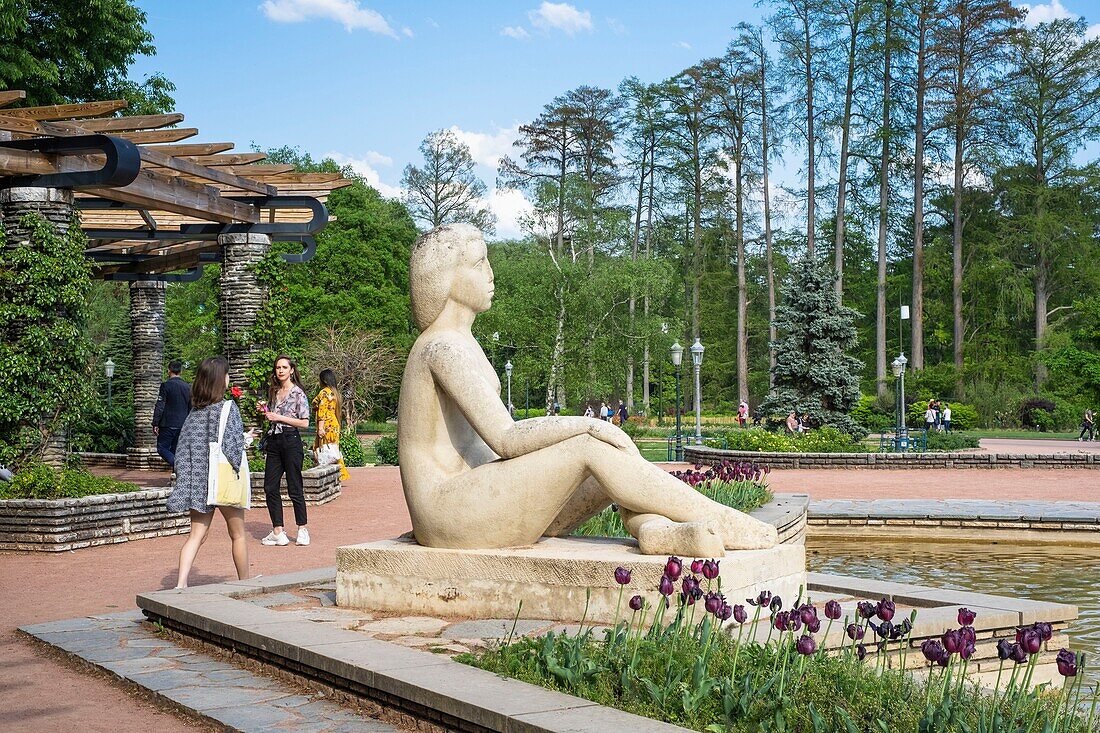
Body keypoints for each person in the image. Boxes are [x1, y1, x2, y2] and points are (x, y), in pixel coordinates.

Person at [397, 224, 777, 556]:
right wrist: (594, 426)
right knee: (590, 448)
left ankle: (655, 531)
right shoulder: (441, 347)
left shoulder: (463, 343)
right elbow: (507, 438)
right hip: (448, 511)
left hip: (486, 496)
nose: (491, 273)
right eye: (480, 263)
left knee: (605, 470)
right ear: (446, 278)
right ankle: (723, 519)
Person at [166, 356, 254, 588]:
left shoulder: (193, 414)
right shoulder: (227, 408)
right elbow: (233, 448)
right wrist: (246, 443)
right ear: (220, 380)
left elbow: (182, 451)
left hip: (199, 483)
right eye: (226, 375)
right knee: (238, 534)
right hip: (222, 481)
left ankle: (181, 583)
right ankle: (245, 583)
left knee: (196, 535)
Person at [261, 355, 311, 547]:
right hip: (274, 441)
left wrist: (279, 418)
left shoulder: (298, 393)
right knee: (270, 486)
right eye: (277, 368)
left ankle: (302, 529)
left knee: (294, 486)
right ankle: (278, 531)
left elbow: (305, 422)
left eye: (284, 367)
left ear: (291, 370)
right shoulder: (274, 392)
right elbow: (273, 417)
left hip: (291, 440)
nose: (280, 371)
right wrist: (267, 413)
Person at [312, 369, 350, 481]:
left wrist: (320, 428)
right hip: (334, 425)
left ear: (323, 380)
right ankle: (339, 473)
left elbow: (322, 412)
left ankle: (335, 474)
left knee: (324, 450)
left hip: (326, 425)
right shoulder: (335, 393)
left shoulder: (324, 393)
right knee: (333, 449)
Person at [152, 360, 192, 467]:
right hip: (182, 424)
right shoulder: (187, 387)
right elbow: (190, 406)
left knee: (162, 448)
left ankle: (178, 465)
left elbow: (160, 405)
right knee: (176, 450)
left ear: (169, 371)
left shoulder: (165, 386)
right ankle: (176, 475)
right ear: (181, 371)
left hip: (167, 424)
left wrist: (155, 423)